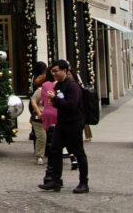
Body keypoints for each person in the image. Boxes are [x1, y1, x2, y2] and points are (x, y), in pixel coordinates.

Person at [38, 59, 89, 194]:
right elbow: (59, 104)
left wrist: (56, 100)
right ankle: (55, 180)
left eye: (56, 71)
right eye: (52, 71)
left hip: (74, 122)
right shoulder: (58, 85)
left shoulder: (72, 86)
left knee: (78, 151)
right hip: (62, 122)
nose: (53, 74)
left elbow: (71, 105)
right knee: (55, 149)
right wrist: (53, 101)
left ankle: (83, 182)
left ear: (64, 71)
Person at [29, 67, 54, 166]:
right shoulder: (41, 89)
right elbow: (33, 100)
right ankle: (39, 155)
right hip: (41, 117)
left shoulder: (58, 87)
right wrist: (38, 112)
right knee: (42, 137)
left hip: (52, 117)